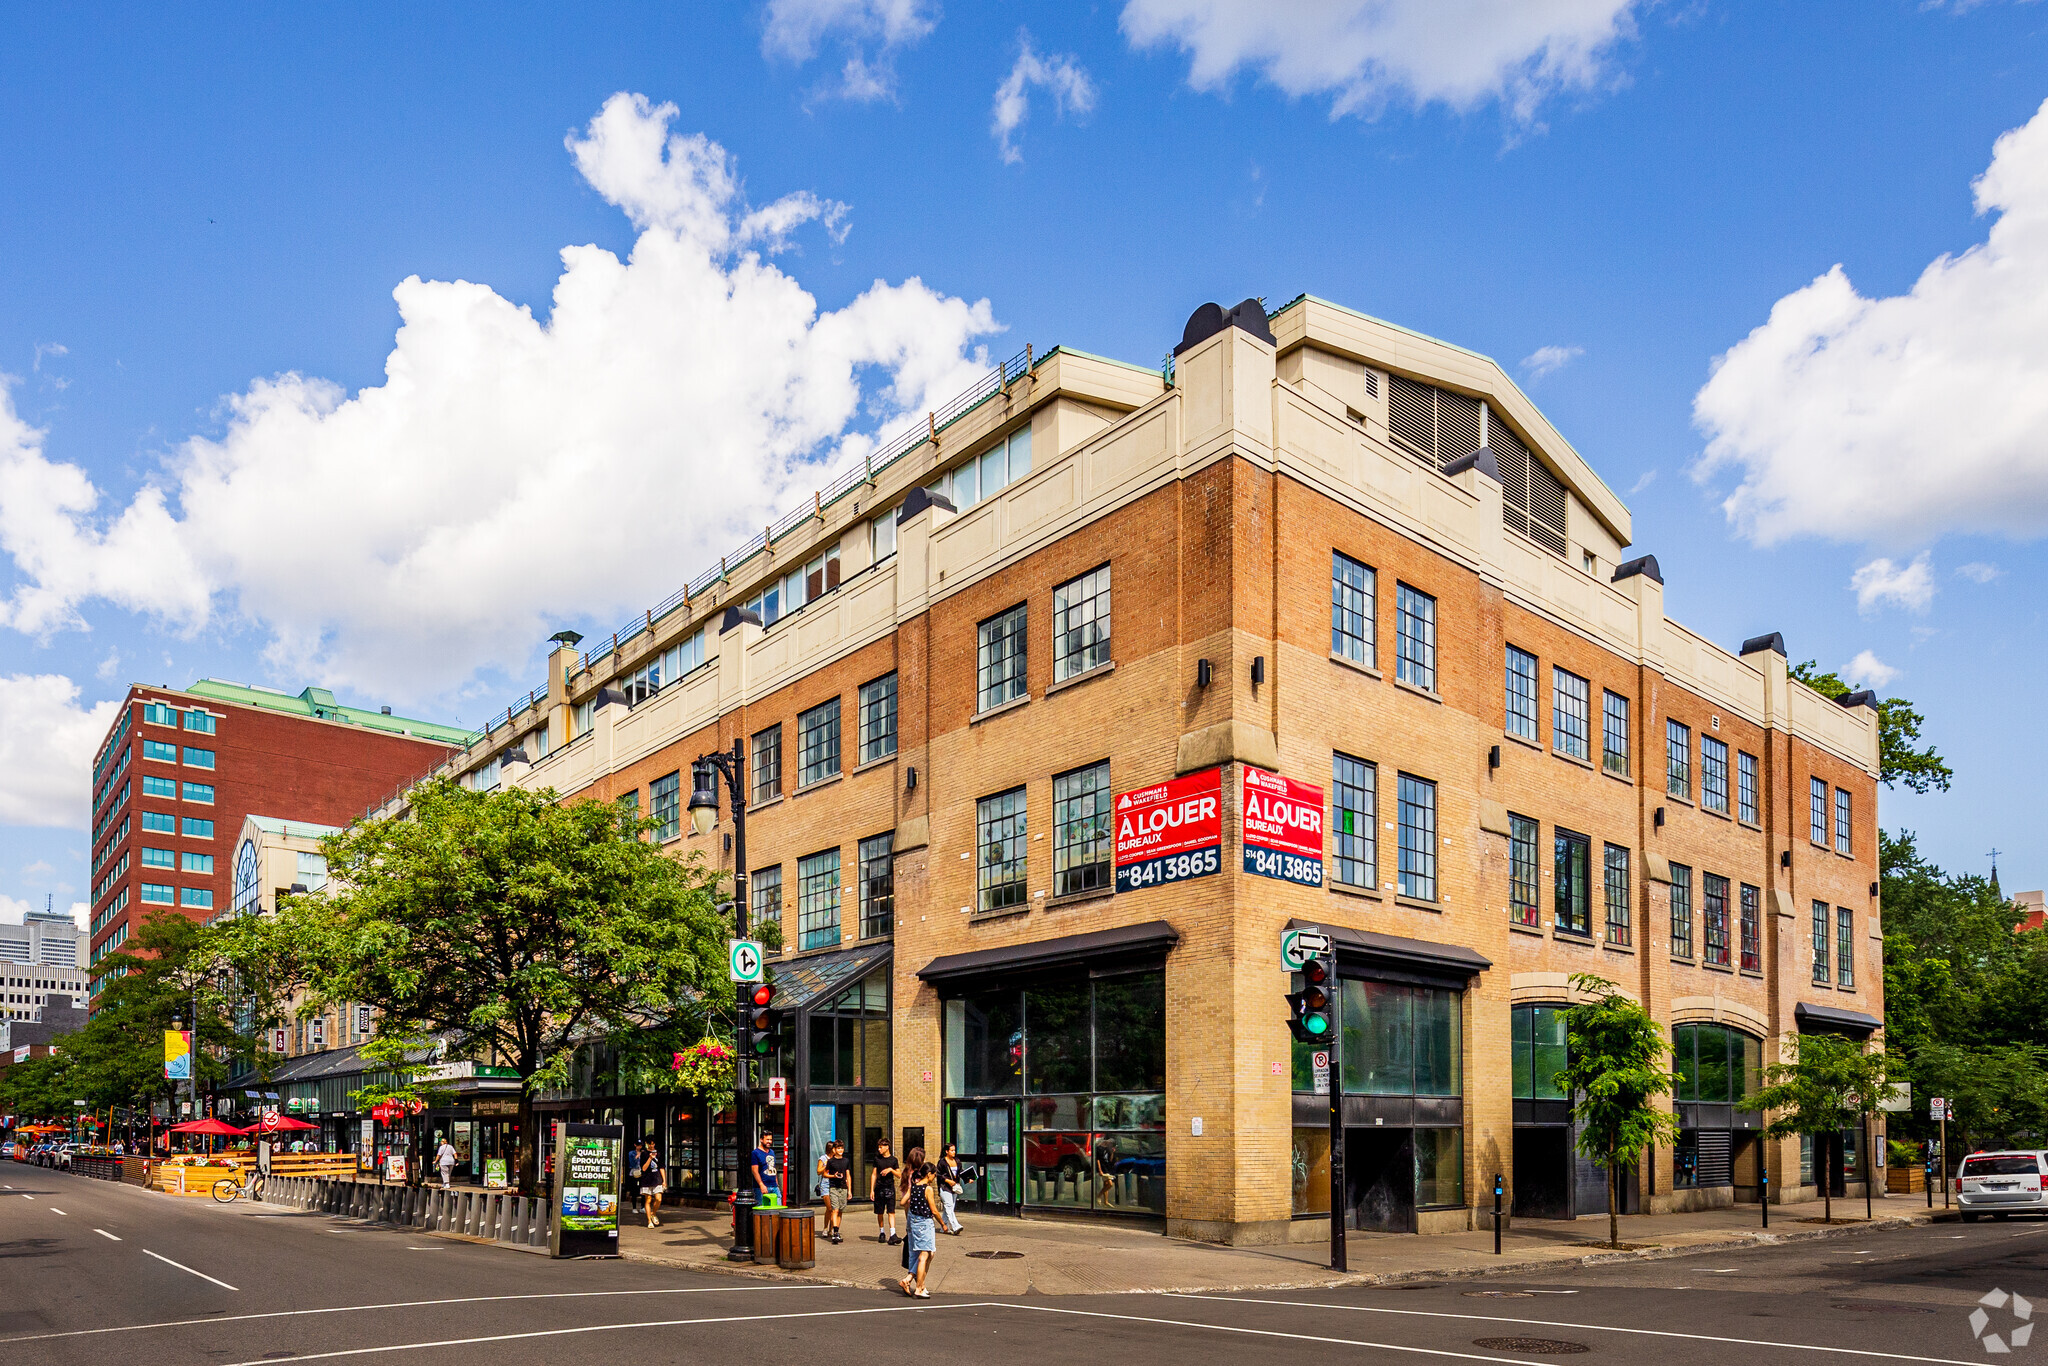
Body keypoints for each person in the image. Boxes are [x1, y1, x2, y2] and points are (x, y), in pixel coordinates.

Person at [897, 1148, 939, 1298]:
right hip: (919, 1217)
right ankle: (918, 1285)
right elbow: (931, 1207)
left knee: (917, 1253)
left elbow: (903, 1199)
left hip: (910, 1216)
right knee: (926, 1253)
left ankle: (914, 1282)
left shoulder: (906, 1173)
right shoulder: (918, 1177)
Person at [817, 1139, 850, 1243]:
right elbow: (820, 1172)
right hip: (828, 1185)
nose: (836, 1150)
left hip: (840, 1185)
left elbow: (848, 1175)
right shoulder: (825, 1159)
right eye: (834, 1148)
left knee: (836, 1209)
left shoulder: (843, 1160)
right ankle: (827, 1228)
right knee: (831, 1208)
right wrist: (826, 1166)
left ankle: (833, 1230)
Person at [870, 1138, 900, 1244]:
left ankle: (893, 1233)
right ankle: (882, 1231)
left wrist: (891, 1170)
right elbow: (874, 1174)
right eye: (878, 1147)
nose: (879, 1149)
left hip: (890, 1187)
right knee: (880, 1212)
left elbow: (899, 1175)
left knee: (891, 1211)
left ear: (887, 1147)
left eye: (881, 1147)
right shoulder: (877, 1159)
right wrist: (872, 1190)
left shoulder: (893, 1160)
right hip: (879, 1187)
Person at [937, 1142, 965, 1234]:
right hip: (944, 1187)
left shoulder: (957, 1161)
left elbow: (961, 1172)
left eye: (954, 1150)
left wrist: (968, 1179)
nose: (954, 1152)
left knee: (949, 1208)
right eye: (952, 1150)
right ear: (946, 1151)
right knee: (949, 1206)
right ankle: (955, 1226)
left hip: (954, 1187)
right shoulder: (942, 1162)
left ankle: (943, 1226)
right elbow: (938, 1175)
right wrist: (947, 1180)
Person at [636, 1141, 665, 1226]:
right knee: (648, 1199)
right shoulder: (644, 1154)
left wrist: (664, 1180)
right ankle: (649, 1221)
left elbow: (662, 1167)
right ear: (647, 1144)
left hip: (657, 1178)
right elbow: (644, 1168)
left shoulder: (659, 1153)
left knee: (658, 1198)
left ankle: (654, 1213)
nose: (652, 1145)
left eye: (653, 1144)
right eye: (650, 1144)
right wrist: (650, 1158)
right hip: (646, 1179)